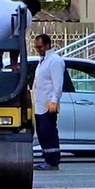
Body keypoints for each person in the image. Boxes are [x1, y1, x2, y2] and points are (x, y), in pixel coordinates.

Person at [32, 33, 65, 171]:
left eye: (40, 47)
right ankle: (46, 158)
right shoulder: (43, 61)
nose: (38, 50)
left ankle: (52, 161)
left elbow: (58, 84)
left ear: (47, 45)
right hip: (39, 104)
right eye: (36, 47)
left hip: (48, 104)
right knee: (42, 134)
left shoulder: (55, 61)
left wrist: (54, 101)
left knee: (49, 133)